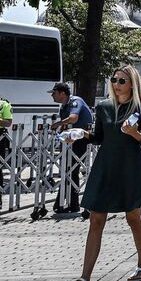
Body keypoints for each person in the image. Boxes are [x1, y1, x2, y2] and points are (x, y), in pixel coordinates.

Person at [62, 66, 141, 281]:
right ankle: (84, 278)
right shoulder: (103, 107)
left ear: (132, 83)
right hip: (105, 167)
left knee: (133, 218)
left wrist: (135, 134)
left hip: (130, 168)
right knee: (95, 220)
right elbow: (100, 137)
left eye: (122, 80)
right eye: (114, 79)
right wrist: (82, 135)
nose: (116, 83)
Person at [49, 83, 93, 213]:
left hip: (81, 139)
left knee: (72, 169)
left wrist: (58, 123)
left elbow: (73, 119)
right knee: (67, 169)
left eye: (54, 93)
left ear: (62, 93)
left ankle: (70, 203)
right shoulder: (63, 107)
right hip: (69, 141)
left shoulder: (75, 101)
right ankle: (69, 203)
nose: (52, 95)